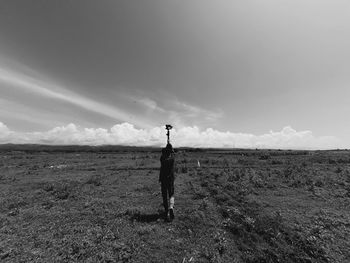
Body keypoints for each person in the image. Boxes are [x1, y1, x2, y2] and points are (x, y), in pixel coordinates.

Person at [159, 143, 175, 222]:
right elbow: (171, 153)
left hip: (163, 179)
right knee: (171, 194)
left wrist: (166, 148)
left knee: (164, 195)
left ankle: (166, 211)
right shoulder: (172, 159)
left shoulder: (162, 159)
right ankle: (171, 207)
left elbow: (163, 154)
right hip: (170, 179)